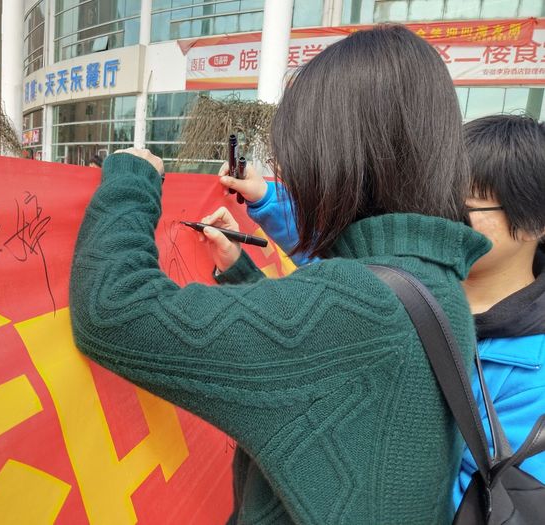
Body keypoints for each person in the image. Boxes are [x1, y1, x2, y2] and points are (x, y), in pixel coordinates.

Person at [70, 25, 490, 523]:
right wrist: (241, 274)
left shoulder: (361, 305)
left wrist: (131, 180)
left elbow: (113, 310)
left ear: (337, 161)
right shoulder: (434, 282)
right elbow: (329, 390)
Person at [221, 114, 545, 510]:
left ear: (534, 223)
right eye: (438, 203)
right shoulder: (424, 277)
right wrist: (265, 199)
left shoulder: (533, 377)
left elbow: (487, 502)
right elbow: (349, 269)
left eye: (463, 208)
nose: (443, 220)